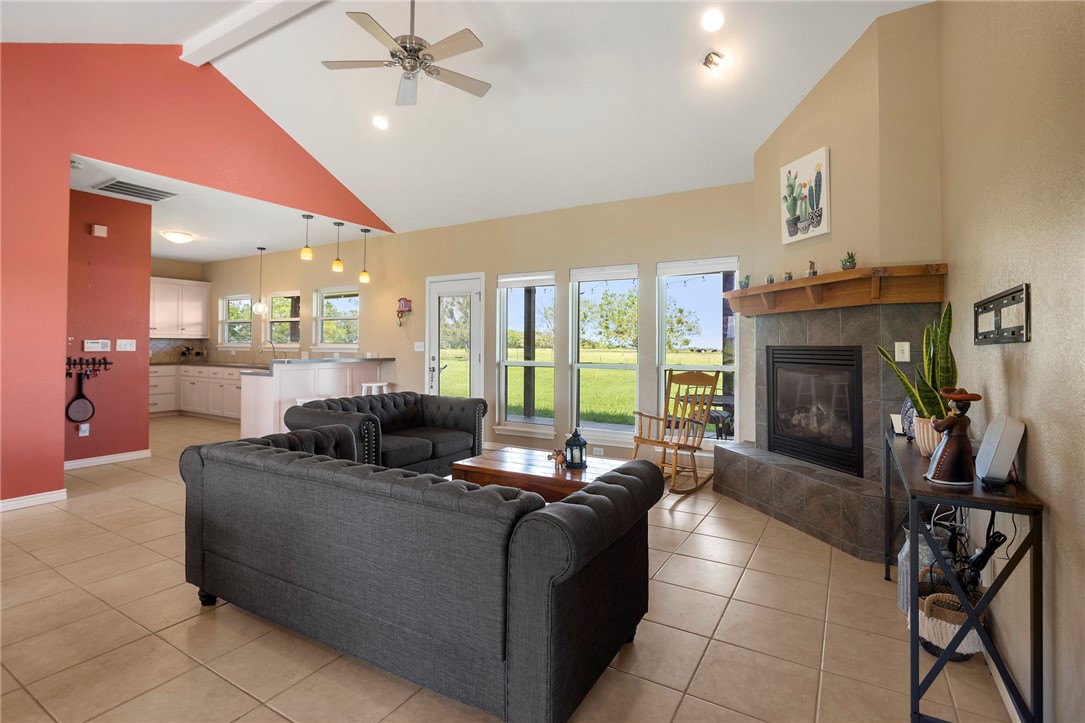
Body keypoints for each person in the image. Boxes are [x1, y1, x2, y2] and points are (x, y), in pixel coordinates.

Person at [926, 387, 983, 483]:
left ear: (955, 404)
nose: (950, 402)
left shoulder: (953, 418)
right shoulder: (966, 419)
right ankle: (964, 480)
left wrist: (933, 421)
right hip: (965, 444)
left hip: (952, 443)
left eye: (952, 400)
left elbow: (939, 427)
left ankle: (939, 477)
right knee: (962, 464)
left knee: (945, 460)